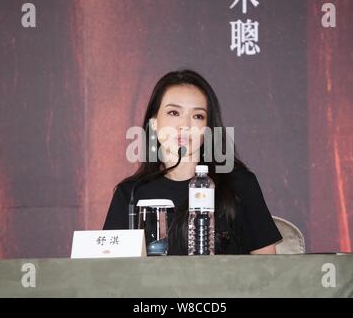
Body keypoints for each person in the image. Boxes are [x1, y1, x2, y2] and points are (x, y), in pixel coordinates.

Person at [103, 69, 282, 255]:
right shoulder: (131, 193)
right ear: (154, 122)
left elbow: (267, 269)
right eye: (174, 112)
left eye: (197, 116)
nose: (185, 126)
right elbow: (112, 271)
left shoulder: (239, 185)